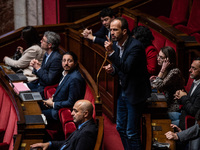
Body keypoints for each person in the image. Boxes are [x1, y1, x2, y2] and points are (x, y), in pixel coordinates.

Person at [103, 17, 151, 150]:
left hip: (135, 93)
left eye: (115, 30)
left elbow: (127, 67)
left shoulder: (135, 46)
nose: (112, 33)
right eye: (111, 30)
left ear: (124, 31)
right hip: (123, 90)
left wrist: (111, 53)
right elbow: (119, 67)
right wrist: (112, 69)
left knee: (131, 132)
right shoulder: (118, 45)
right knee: (120, 128)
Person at [30, 100, 98, 150]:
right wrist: (49, 144)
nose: (72, 114)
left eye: (75, 111)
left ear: (85, 114)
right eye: (72, 110)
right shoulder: (83, 125)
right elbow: (67, 143)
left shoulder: (87, 133)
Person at [40, 51, 86, 121]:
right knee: (35, 105)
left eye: (69, 61)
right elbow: (62, 91)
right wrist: (52, 98)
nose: (66, 63)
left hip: (60, 111)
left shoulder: (75, 79)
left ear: (75, 63)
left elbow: (71, 102)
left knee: (37, 115)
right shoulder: (65, 73)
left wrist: (53, 104)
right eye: (64, 61)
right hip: (57, 104)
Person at [150, 46, 185, 126]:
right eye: (158, 56)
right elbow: (160, 84)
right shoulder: (168, 70)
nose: (158, 59)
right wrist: (158, 77)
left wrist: (161, 71)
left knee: (152, 114)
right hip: (166, 102)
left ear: (168, 60)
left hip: (173, 107)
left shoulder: (174, 72)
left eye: (161, 57)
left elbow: (156, 86)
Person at [27, 31, 63, 98]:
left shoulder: (56, 59)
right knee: (19, 89)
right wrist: (36, 67)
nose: (40, 41)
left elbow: (49, 80)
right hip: (38, 84)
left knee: (22, 96)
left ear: (49, 45)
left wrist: (38, 68)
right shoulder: (47, 54)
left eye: (43, 40)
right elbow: (43, 73)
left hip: (44, 90)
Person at [174, 57, 200, 130]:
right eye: (190, 67)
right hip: (183, 113)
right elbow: (189, 100)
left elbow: (193, 111)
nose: (189, 70)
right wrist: (180, 95)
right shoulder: (195, 80)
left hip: (188, 122)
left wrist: (183, 97)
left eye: (194, 68)